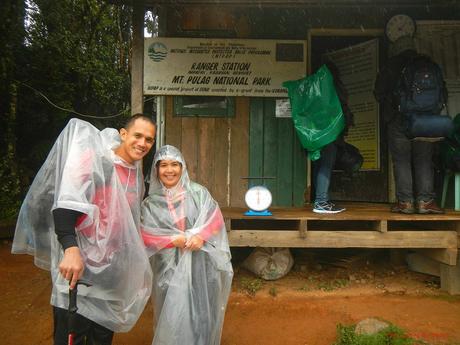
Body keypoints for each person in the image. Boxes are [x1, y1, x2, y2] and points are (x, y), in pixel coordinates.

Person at [12, 114, 156, 345]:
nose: (143, 143)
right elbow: (66, 204)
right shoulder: (98, 162)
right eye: (138, 135)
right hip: (81, 270)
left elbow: (127, 224)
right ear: (123, 134)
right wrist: (70, 248)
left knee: (102, 336)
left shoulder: (134, 172)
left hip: (111, 272)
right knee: (72, 337)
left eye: (149, 139)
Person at [140, 145, 233, 345]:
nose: (169, 170)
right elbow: (145, 236)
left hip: (200, 266)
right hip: (167, 270)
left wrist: (201, 237)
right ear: (156, 170)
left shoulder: (199, 194)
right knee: (170, 312)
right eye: (163, 165)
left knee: (202, 311)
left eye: (175, 164)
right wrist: (171, 240)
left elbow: (215, 221)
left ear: (183, 168)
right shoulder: (151, 203)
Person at [374, 35, 445, 214]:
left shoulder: (391, 66)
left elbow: (378, 93)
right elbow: (442, 93)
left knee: (401, 160)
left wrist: (393, 104)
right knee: (424, 159)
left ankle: (405, 202)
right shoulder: (428, 64)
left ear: (396, 48)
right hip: (426, 119)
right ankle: (425, 202)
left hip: (399, 118)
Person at [312, 60, 355, 214]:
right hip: (331, 131)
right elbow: (342, 109)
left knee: (318, 164)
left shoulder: (314, 85)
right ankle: (321, 202)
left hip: (316, 132)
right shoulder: (335, 86)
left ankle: (319, 200)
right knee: (326, 165)